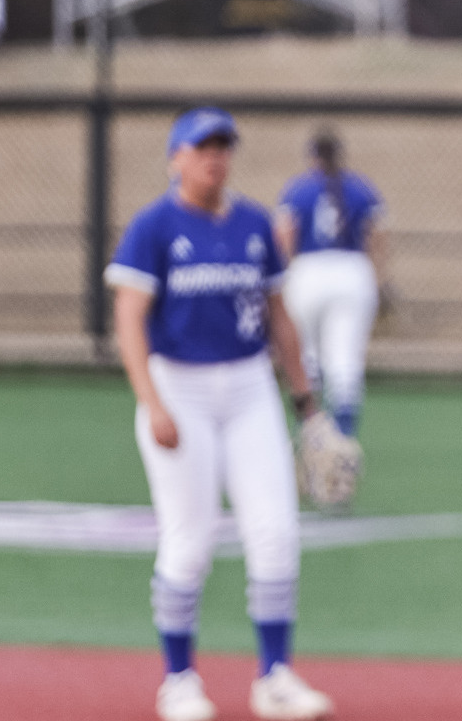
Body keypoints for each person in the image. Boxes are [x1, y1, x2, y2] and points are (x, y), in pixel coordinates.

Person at [105, 109, 335, 721]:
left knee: (276, 532)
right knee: (190, 540)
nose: (215, 157)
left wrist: (307, 404)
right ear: (176, 158)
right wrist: (151, 401)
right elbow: (129, 319)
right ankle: (178, 681)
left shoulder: (255, 223)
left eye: (223, 147)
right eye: (202, 147)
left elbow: (279, 317)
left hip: (249, 386)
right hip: (178, 387)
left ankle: (275, 677)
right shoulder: (154, 226)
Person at [274, 129, 385, 447]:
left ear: (312, 157)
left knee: (305, 356)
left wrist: (283, 277)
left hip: (307, 271)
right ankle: (344, 441)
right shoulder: (360, 187)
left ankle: (311, 437)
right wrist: (379, 280)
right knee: (345, 359)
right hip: (353, 270)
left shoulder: (298, 189)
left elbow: (285, 236)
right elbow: (378, 236)